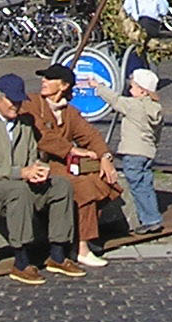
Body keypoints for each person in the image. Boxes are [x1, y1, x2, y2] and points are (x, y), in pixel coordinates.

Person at [0, 73, 79, 286]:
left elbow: (31, 158)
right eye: (12, 101)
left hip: (15, 182)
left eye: (20, 101)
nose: (17, 106)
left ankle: (57, 254)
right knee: (17, 192)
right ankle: (21, 261)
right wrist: (20, 173)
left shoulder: (24, 123)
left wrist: (39, 170)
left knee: (61, 186)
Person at [28, 64, 124, 266]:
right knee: (84, 188)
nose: (43, 81)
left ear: (63, 86)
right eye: (44, 78)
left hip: (63, 165)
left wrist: (105, 157)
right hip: (39, 165)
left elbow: (91, 136)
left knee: (104, 181)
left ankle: (81, 237)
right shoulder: (33, 103)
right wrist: (71, 150)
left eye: (49, 79)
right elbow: (42, 136)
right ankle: (81, 247)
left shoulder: (69, 112)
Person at [87, 68, 164, 235]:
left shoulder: (133, 105)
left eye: (133, 87)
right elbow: (157, 133)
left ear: (143, 91)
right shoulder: (156, 109)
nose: (130, 89)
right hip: (147, 152)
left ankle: (148, 220)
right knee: (146, 184)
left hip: (133, 152)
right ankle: (154, 217)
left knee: (136, 186)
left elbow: (115, 99)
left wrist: (98, 87)